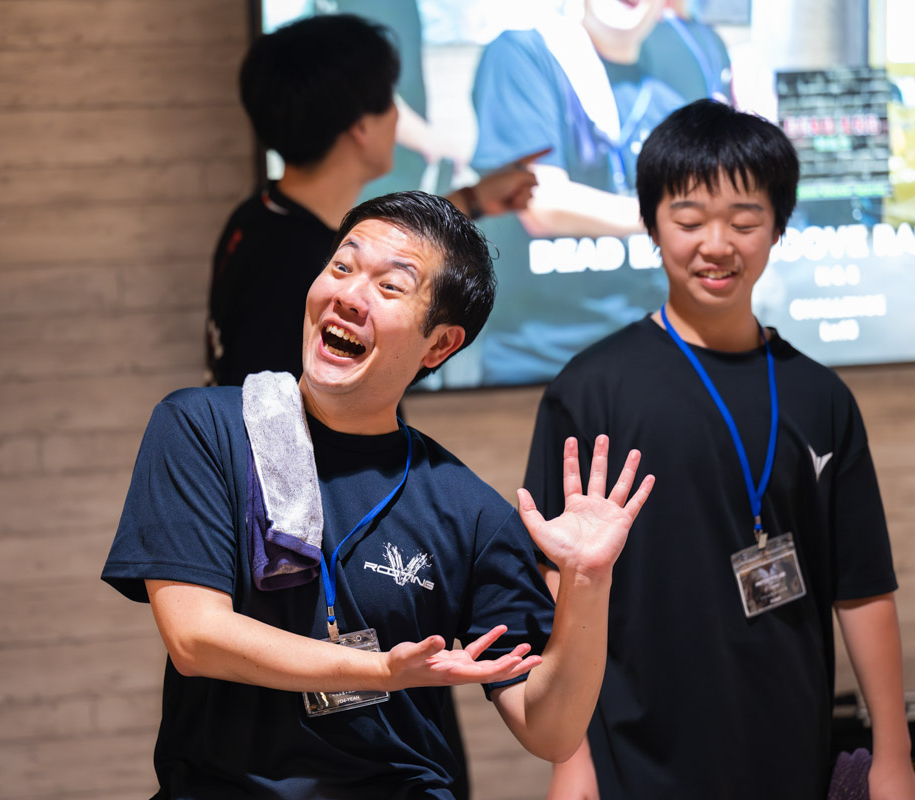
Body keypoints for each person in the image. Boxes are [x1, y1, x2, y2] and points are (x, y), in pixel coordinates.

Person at [106, 190, 655, 798]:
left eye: (390, 286)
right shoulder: (206, 428)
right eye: (341, 266)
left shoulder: (467, 510)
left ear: (440, 345)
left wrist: (588, 582)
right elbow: (195, 638)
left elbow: (548, 729)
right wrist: (380, 670)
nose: (347, 295)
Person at [523, 100, 915, 800]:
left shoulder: (820, 397)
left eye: (743, 221)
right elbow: (556, 580)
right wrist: (570, 756)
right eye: (689, 221)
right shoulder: (590, 389)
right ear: (651, 225)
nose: (717, 245)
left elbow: (862, 586)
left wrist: (893, 754)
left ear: (779, 227)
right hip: (633, 755)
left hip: (789, 747)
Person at [205, 13, 538, 387]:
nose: (397, 117)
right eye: (390, 101)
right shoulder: (297, 270)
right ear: (361, 127)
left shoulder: (259, 219)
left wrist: (473, 199)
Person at [468, 0, 733, 386]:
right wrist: (683, 216)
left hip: (673, 351)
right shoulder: (526, 51)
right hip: (547, 361)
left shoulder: (693, 56)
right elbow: (540, 203)